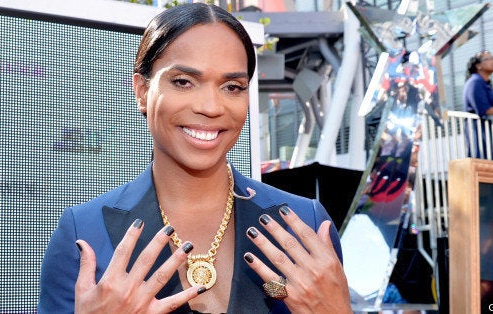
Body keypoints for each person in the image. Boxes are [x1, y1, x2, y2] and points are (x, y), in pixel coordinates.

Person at [37, 3, 351, 314]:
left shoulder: (304, 224)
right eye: (184, 82)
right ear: (142, 90)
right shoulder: (83, 233)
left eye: (232, 86)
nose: (211, 107)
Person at [463, 50, 493, 158]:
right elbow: (485, 109)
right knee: (482, 160)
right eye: (489, 59)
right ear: (478, 65)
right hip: (478, 130)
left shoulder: (485, 84)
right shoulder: (475, 82)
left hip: (488, 128)